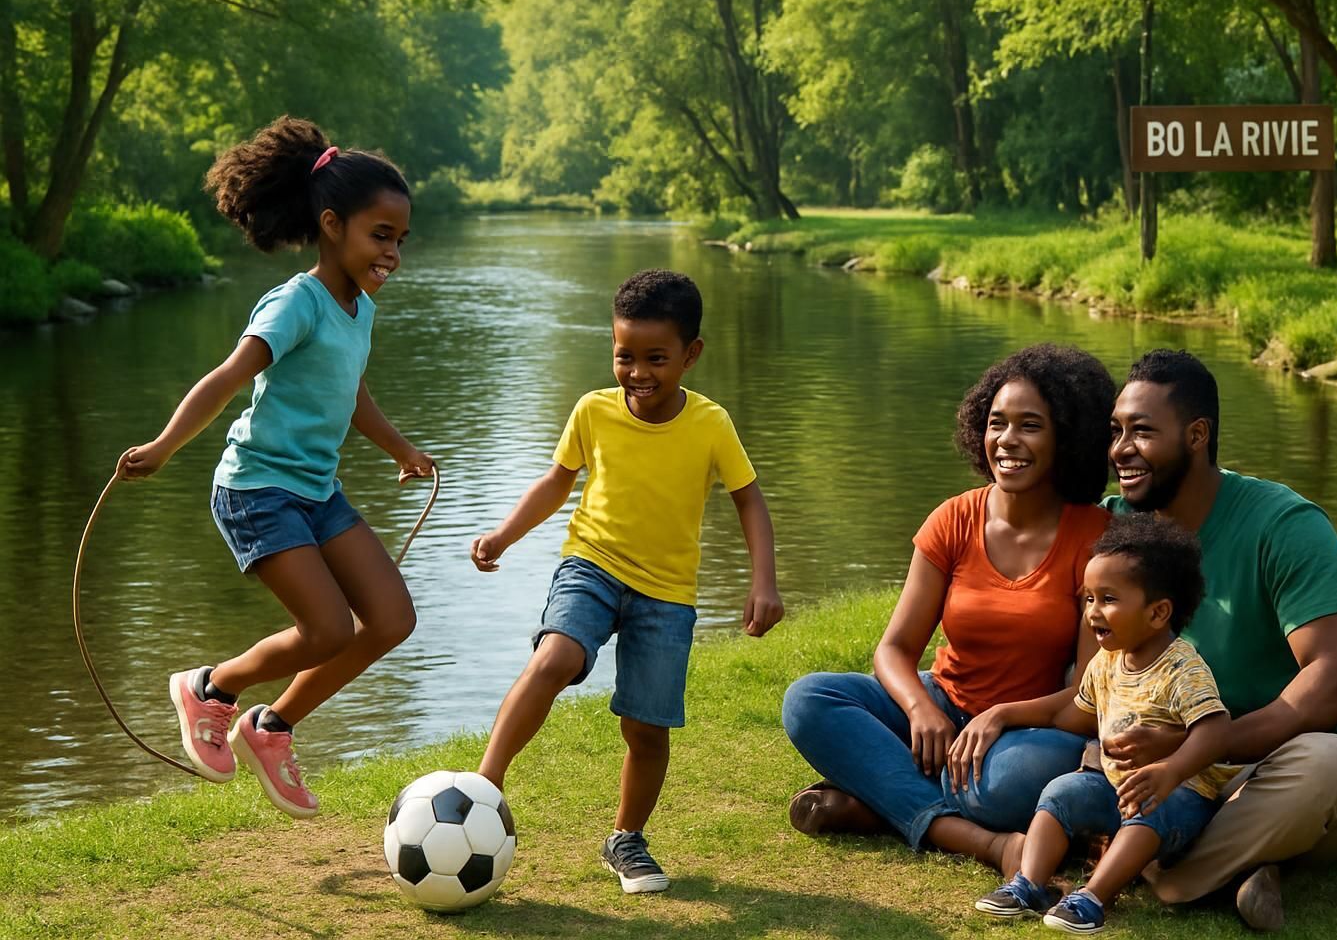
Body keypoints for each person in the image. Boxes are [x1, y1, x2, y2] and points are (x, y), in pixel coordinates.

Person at [121, 116, 433, 819]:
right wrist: (164, 447)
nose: (393, 253)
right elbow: (228, 377)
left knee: (391, 619)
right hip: (258, 490)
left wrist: (402, 450)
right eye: (381, 235)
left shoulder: (358, 308)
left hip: (316, 491)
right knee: (327, 631)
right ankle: (211, 687)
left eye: (401, 239)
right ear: (332, 225)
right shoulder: (297, 303)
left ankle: (271, 727)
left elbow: (351, 392)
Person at [467, 269, 783, 896]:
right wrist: (503, 535)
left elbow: (749, 499)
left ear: (691, 354)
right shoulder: (594, 410)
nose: (637, 372)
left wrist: (764, 582)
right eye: (624, 356)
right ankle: (483, 785)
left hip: (667, 593)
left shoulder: (711, 423)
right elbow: (557, 482)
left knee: (645, 727)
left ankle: (626, 838)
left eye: (655, 358)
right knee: (556, 656)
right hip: (592, 563)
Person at [781, 344, 1115, 870]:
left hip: (1030, 728)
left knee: (999, 789)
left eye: (1030, 426)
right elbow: (894, 650)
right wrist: (921, 710)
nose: (1007, 440)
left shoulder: (1095, 538)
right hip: (944, 704)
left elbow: (1087, 697)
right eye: (997, 423)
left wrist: (999, 718)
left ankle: (879, 801)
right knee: (809, 700)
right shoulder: (954, 518)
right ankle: (984, 841)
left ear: (1067, 438)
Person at [1101, 348, 1337, 931]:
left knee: (1332, 765)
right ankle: (1242, 865)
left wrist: (1198, 746)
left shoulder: (1283, 524)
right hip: (1153, 768)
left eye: (1142, 432)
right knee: (1066, 754)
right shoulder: (1112, 528)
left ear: (1197, 435)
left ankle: (1166, 872)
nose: (1121, 449)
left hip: (1268, 764)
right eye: (1116, 431)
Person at [974, 514, 1236, 935]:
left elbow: (1217, 730)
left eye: (1108, 599)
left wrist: (1171, 771)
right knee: (1062, 791)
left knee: (1151, 810)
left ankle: (1092, 898)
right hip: (1114, 788)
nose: (1092, 612)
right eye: (1089, 598)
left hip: (1178, 797)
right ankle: (1029, 884)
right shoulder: (1107, 661)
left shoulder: (1183, 669)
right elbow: (1071, 715)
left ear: (1158, 612)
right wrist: (1003, 713)